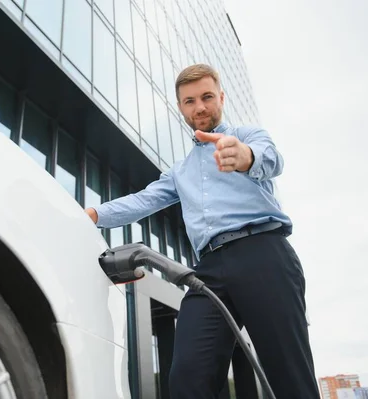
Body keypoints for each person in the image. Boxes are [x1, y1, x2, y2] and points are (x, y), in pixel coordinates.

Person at [85, 64, 320, 398]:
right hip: (208, 271)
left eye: (207, 97)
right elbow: (142, 200)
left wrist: (245, 157)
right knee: (187, 377)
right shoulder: (180, 173)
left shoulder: (247, 136)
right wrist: (93, 214)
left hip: (264, 255)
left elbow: (271, 159)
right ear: (180, 108)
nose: (200, 107)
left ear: (220, 97)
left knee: (289, 374)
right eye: (190, 101)